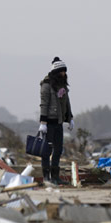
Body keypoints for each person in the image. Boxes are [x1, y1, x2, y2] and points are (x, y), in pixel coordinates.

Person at [39, 56, 74, 185]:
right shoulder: (46, 85)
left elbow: (66, 103)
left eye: (64, 72)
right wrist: (43, 123)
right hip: (48, 123)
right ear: (56, 72)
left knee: (58, 150)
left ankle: (55, 177)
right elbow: (44, 104)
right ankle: (46, 177)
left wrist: (70, 118)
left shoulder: (62, 86)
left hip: (58, 123)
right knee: (46, 151)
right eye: (61, 72)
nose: (64, 74)